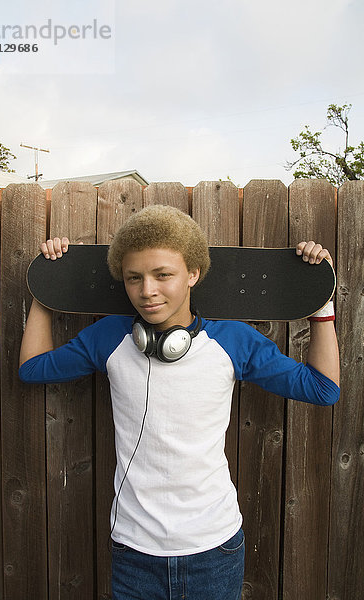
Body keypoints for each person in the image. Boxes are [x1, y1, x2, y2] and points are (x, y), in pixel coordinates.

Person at [19, 205, 340, 600]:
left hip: (214, 549)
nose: (147, 290)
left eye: (163, 275)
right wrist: (48, 287)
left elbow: (323, 389)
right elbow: (33, 369)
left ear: (192, 274)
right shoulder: (109, 338)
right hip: (133, 550)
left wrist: (319, 300)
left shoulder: (233, 342)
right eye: (134, 278)